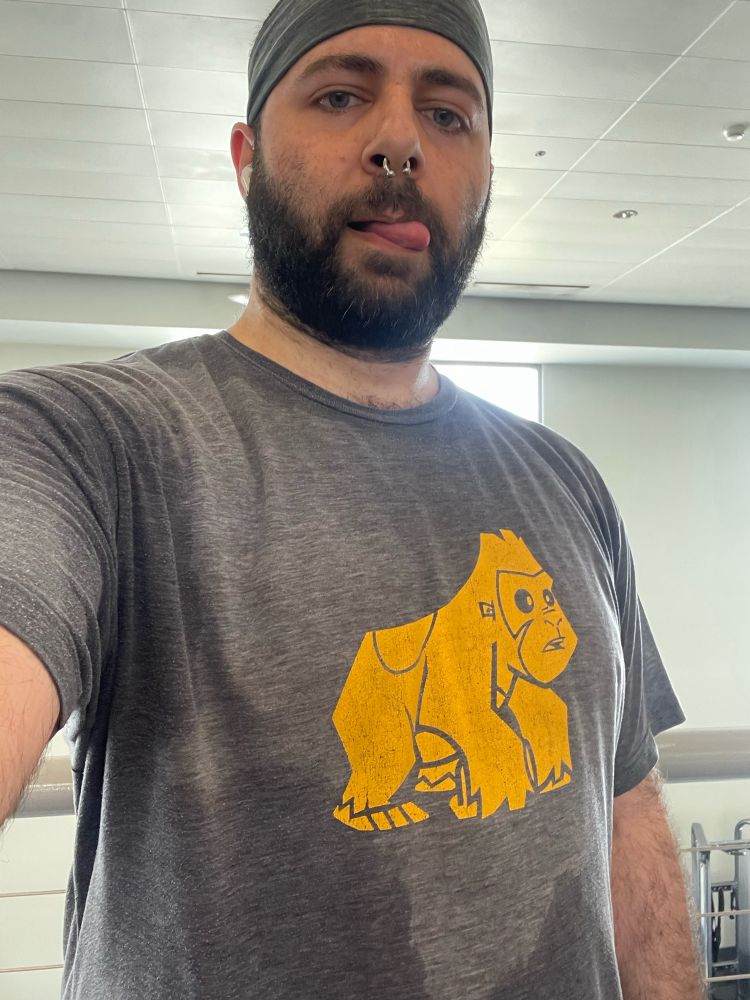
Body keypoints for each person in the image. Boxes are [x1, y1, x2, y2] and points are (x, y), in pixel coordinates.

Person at [0, 1, 704, 998]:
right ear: (248, 158)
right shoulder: (88, 442)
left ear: (487, 173)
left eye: (449, 114)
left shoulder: (564, 484)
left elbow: (627, 806)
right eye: (340, 94)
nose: (400, 142)